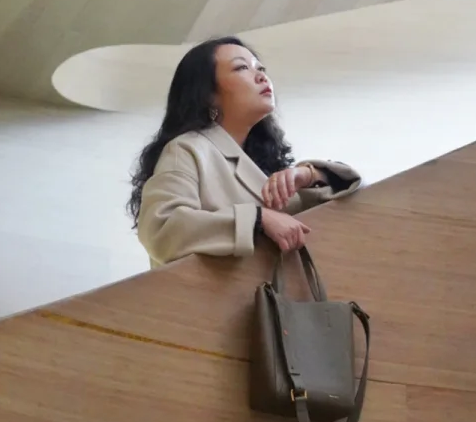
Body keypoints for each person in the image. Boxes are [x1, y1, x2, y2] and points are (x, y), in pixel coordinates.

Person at [129, 36, 360, 267]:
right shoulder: (187, 149)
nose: (261, 76)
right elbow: (161, 230)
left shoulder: (265, 161)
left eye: (261, 68)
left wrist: (308, 175)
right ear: (208, 95)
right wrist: (258, 219)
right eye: (241, 68)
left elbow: (354, 202)